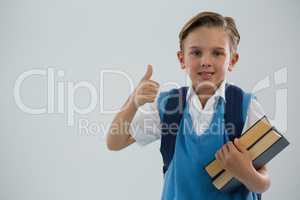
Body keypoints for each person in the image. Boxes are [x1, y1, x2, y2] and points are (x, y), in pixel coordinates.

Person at [106, 11, 271, 200]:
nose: (206, 62)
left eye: (217, 53)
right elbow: (115, 142)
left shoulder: (245, 106)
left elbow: (264, 181)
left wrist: (246, 173)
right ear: (182, 59)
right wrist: (133, 102)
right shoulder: (169, 106)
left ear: (232, 60)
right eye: (196, 52)